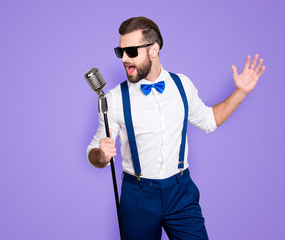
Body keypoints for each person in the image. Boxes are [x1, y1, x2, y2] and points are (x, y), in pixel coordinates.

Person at [86, 16, 265, 240]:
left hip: (180, 191)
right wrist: (102, 155)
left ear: (153, 49)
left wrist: (240, 92)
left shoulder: (182, 85)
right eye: (119, 51)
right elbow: (94, 152)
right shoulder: (113, 100)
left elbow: (209, 121)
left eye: (131, 51)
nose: (123, 59)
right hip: (137, 195)